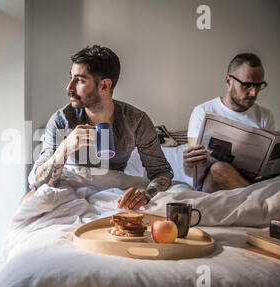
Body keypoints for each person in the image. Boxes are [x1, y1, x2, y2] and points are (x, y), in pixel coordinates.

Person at [25, 45, 173, 209]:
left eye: (80, 80)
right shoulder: (62, 120)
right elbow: (38, 181)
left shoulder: (135, 121)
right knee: (30, 201)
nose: (69, 88)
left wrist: (145, 195)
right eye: (71, 78)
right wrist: (64, 148)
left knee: (183, 197)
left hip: (114, 191)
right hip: (72, 187)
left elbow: (161, 172)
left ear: (104, 86)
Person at [183, 53, 276, 193]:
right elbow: (193, 171)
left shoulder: (265, 115)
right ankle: (258, 200)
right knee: (218, 168)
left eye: (259, 85)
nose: (254, 93)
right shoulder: (203, 111)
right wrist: (188, 164)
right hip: (212, 182)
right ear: (228, 81)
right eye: (247, 85)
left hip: (251, 181)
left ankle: (255, 197)